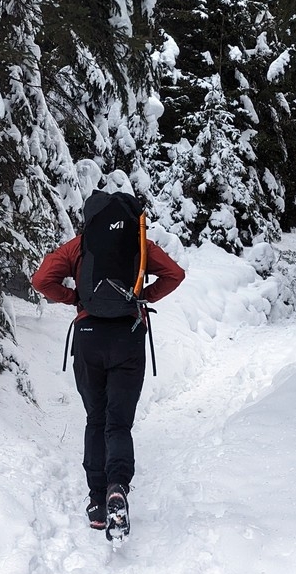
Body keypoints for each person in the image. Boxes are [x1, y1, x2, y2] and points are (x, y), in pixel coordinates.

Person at [32, 190, 185, 536]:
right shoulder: (140, 244)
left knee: (95, 419)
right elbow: (175, 274)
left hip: (89, 336)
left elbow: (41, 280)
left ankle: (97, 501)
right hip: (128, 337)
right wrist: (142, 297)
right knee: (118, 422)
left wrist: (75, 299)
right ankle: (117, 487)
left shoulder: (80, 245)